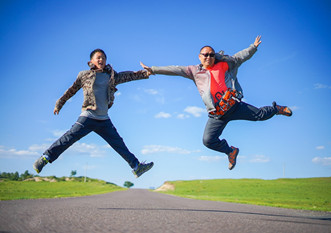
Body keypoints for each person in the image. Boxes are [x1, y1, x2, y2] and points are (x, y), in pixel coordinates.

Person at [140, 36, 292, 170]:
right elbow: (175, 69)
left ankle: (276, 109)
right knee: (208, 141)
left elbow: (241, 57)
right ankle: (231, 151)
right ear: (199, 57)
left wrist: (253, 48)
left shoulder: (225, 64)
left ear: (215, 56)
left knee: (260, 115)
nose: (208, 57)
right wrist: (153, 69)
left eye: (211, 55)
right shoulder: (194, 71)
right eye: (205, 55)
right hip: (217, 114)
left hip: (234, 106)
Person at [33, 49, 154, 178]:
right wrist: (59, 104)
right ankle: (45, 157)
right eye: (98, 58)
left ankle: (137, 167)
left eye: (103, 58)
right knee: (69, 138)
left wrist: (147, 73)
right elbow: (71, 90)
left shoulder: (111, 76)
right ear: (91, 61)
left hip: (104, 120)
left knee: (119, 144)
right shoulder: (84, 75)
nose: (101, 60)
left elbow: (129, 76)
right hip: (88, 116)